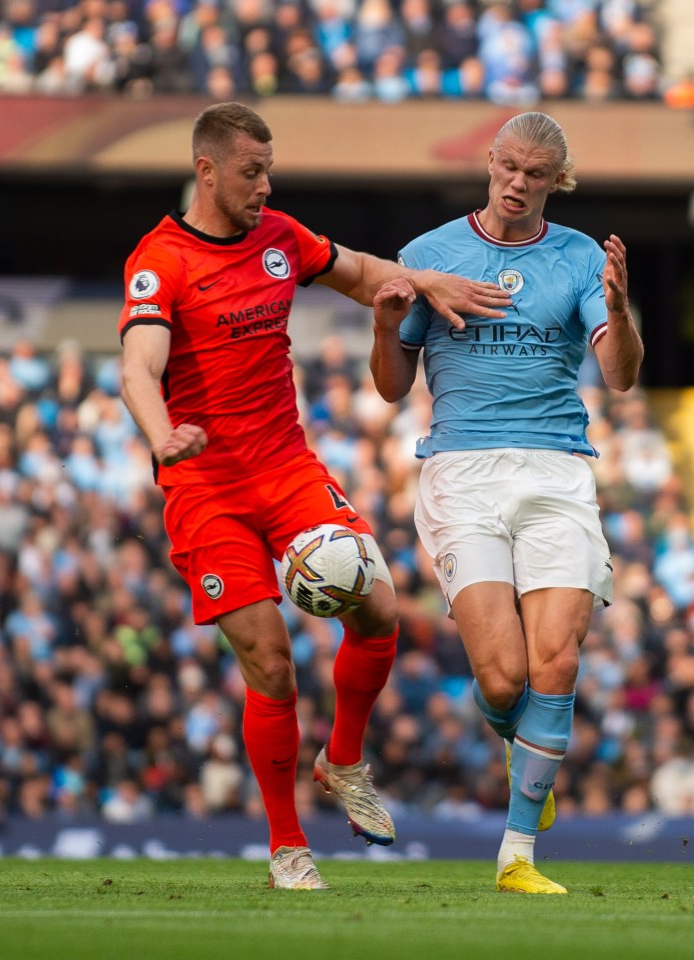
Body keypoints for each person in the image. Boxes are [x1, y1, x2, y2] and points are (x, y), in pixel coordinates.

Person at [118, 101, 501, 891]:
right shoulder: (159, 261)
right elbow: (137, 367)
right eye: (251, 172)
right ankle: (288, 846)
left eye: (269, 170)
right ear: (207, 170)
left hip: (287, 467)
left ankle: (345, 759)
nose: (264, 185)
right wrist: (161, 436)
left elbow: (360, 273)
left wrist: (422, 285)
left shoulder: (280, 237)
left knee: (380, 610)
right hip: (205, 486)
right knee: (270, 662)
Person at [369, 111, 644, 895]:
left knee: (555, 660)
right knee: (500, 681)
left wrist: (617, 310)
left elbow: (619, 376)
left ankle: (516, 854)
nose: (518, 184)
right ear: (489, 162)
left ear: (558, 182)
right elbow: (390, 387)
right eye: (509, 168)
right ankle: (524, 748)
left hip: (557, 468)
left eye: (536, 175)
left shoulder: (579, 257)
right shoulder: (429, 256)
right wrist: (388, 327)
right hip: (461, 469)